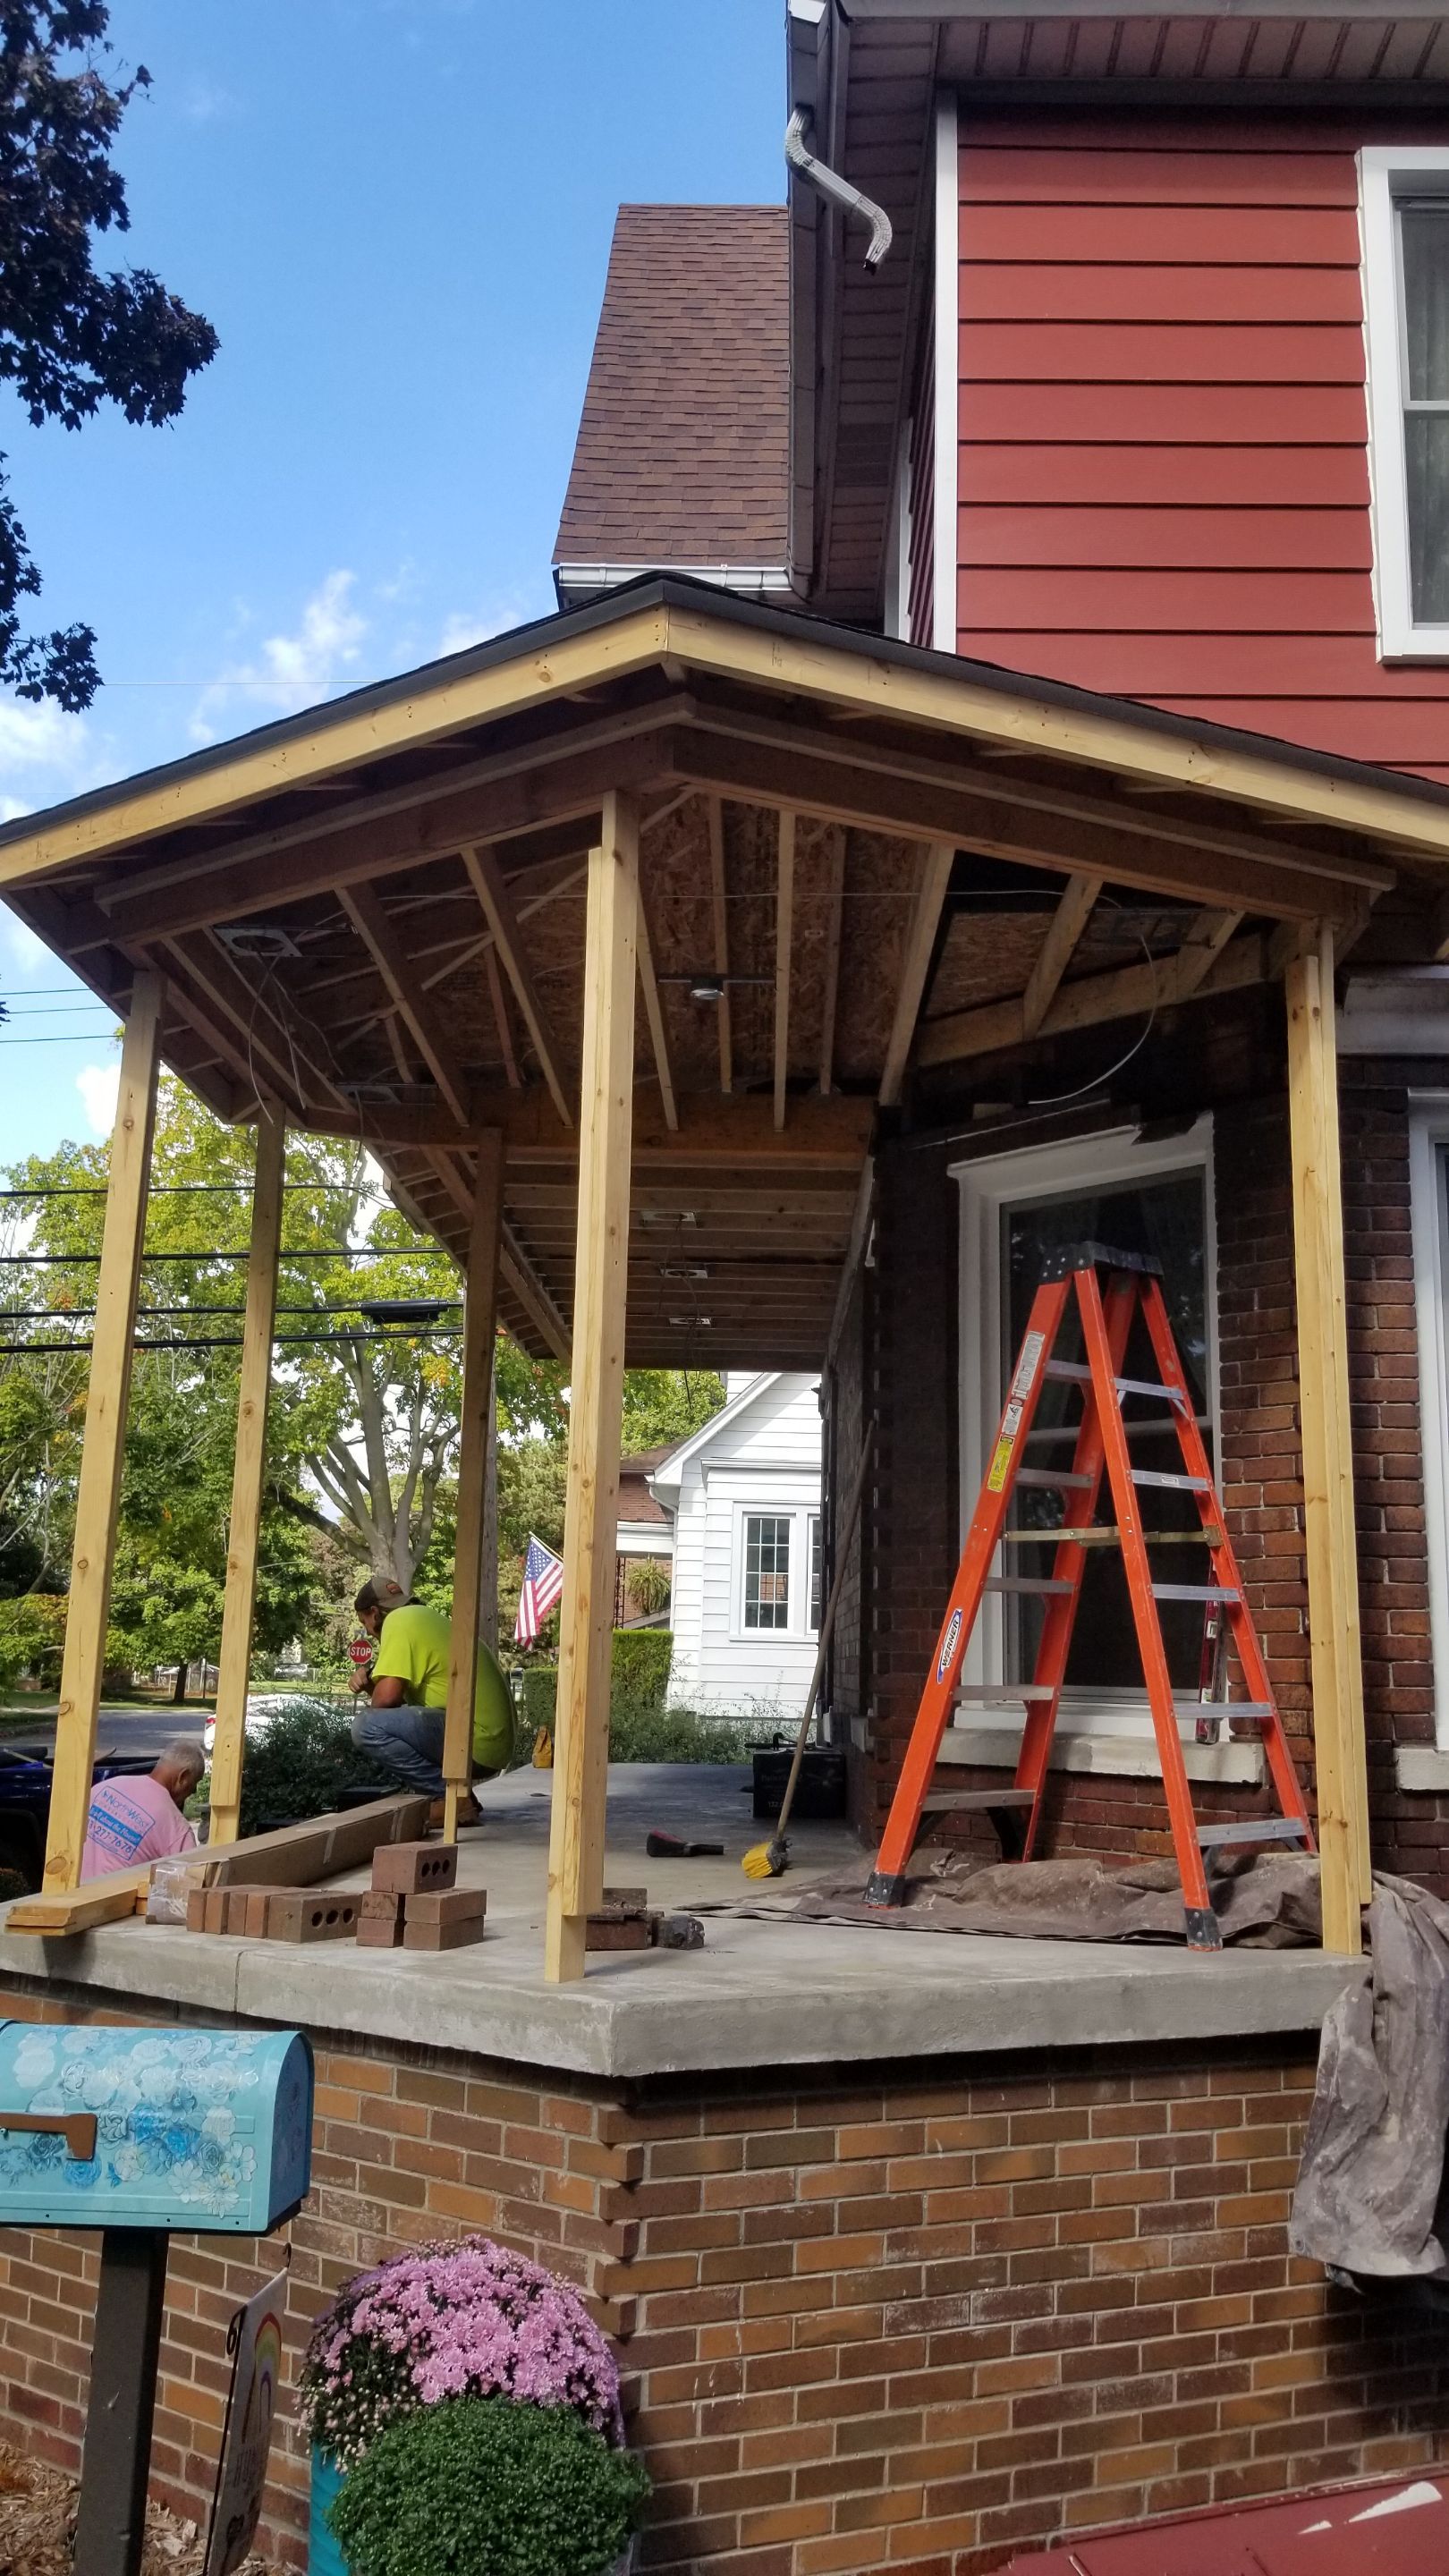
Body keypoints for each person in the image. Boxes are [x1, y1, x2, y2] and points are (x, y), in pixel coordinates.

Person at [350, 1577, 513, 1823]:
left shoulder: (398, 1621)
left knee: (365, 1727)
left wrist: (368, 1686)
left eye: (365, 1623)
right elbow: (396, 1707)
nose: (370, 1633)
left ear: (374, 1612)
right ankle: (460, 1799)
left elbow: (385, 1702)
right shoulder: (422, 1618)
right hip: (492, 1743)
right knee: (379, 1723)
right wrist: (372, 1687)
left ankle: (450, 1798)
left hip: (479, 1739)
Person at [80, 1740, 205, 1881]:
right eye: (195, 1782)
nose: (193, 1791)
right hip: (113, 1901)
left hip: (69, 1895)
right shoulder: (176, 1829)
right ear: (183, 1777)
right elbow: (187, 1884)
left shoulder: (103, 1788)